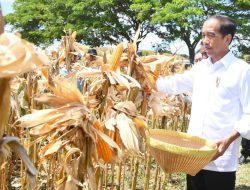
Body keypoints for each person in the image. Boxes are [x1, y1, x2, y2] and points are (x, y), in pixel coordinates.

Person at [156, 15, 250, 190]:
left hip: (220, 157)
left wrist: (229, 139)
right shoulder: (201, 68)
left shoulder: (242, 71)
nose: (205, 41)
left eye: (211, 35)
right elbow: (174, 84)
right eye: (203, 35)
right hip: (193, 155)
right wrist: (144, 81)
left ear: (227, 39)